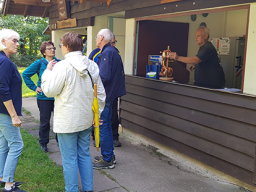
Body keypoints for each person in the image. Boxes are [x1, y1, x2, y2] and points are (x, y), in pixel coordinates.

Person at [41, 32, 105, 192]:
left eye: (61, 45)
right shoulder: (92, 65)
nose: (60, 48)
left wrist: (47, 72)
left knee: (69, 159)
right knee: (84, 155)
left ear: (67, 47)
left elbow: (48, 91)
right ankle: (88, 189)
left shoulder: (62, 66)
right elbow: (101, 94)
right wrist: (97, 115)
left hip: (67, 122)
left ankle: (71, 190)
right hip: (86, 120)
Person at [93, 29, 126, 169]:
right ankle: (108, 155)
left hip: (105, 96)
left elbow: (104, 77)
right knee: (105, 125)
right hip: (111, 95)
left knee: (103, 126)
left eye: (96, 37)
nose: (95, 40)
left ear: (101, 38)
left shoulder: (107, 53)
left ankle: (107, 159)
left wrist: (91, 83)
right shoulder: (113, 51)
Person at [0, 29, 26, 192]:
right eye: (14, 40)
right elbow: (2, 89)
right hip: (5, 112)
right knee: (16, 145)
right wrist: (14, 116)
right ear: (3, 41)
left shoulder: (4, 60)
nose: (17, 44)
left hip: (2, 112)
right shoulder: (4, 62)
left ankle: (2, 177)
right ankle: (9, 185)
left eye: (18, 41)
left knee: (3, 145)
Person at [22, 41, 60, 152]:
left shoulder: (59, 63)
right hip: (44, 98)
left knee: (59, 120)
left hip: (58, 97)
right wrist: (34, 88)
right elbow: (25, 74)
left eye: (53, 48)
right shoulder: (39, 63)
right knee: (45, 121)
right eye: (49, 48)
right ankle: (43, 143)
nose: (52, 50)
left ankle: (60, 142)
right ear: (44, 52)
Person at [89, 34, 123, 147]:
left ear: (102, 38)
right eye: (112, 43)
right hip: (106, 93)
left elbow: (105, 76)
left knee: (106, 122)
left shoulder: (111, 52)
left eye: (114, 42)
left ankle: (107, 154)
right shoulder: (95, 53)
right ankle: (99, 142)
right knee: (105, 122)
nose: (113, 45)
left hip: (107, 94)